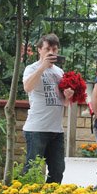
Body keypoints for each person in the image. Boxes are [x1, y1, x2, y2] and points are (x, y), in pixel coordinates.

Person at [22, 33, 74, 184]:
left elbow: (63, 103)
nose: (51, 52)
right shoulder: (31, 68)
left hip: (56, 130)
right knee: (32, 170)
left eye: (54, 49)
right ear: (39, 50)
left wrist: (68, 95)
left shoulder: (59, 72)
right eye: (47, 49)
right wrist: (42, 67)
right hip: (36, 129)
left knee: (57, 171)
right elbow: (27, 87)